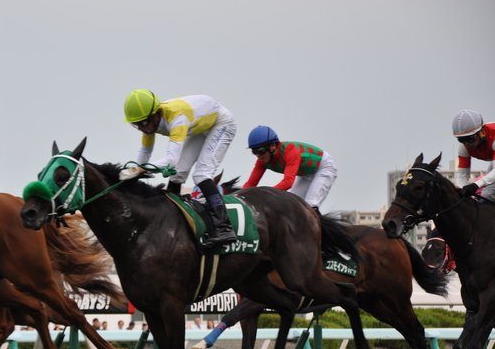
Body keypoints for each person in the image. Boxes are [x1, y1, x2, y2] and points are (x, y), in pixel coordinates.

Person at [121, 89, 238, 246]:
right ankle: (172, 220)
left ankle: (224, 228)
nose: (141, 128)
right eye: (136, 125)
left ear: (156, 115)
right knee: (177, 175)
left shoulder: (177, 119)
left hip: (220, 123)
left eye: (143, 123)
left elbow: (171, 161)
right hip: (198, 126)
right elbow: (145, 152)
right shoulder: (150, 121)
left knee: (201, 175)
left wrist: (140, 170)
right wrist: (133, 172)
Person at [242, 125, 337, 212]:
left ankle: (323, 225)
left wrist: (265, 195)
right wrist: (238, 197)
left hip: (323, 167)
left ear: (272, 146)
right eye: (254, 151)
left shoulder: (290, 150)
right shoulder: (262, 161)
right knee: (293, 205)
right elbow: (251, 183)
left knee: (311, 204)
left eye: (261, 150)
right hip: (305, 174)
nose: (258, 155)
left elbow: (288, 182)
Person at [452, 110, 495, 201]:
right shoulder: (464, 147)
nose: (466, 144)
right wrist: (462, 192)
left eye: (470, 138)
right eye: (461, 140)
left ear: (482, 132)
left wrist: (475, 185)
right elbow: (462, 174)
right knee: (486, 195)